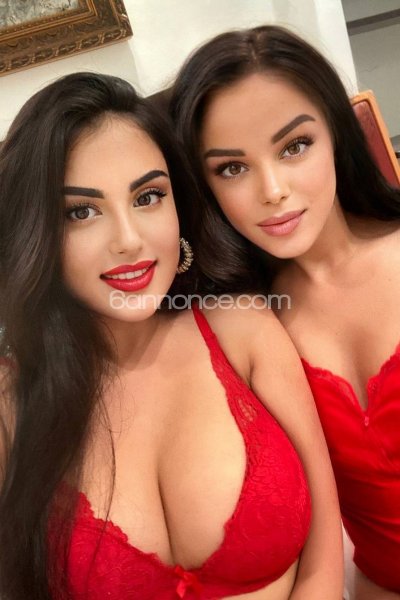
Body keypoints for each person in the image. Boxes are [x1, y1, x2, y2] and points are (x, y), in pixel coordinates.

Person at [0, 72, 341, 600]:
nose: (129, 240)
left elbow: (324, 555)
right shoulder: (12, 398)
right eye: (81, 211)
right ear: (36, 232)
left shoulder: (244, 329)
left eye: (148, 196)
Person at [170, 24, 400, 600]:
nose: (272, 189)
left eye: (294, 146)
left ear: (337, 135)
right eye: (232, 168)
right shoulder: (240, 324)